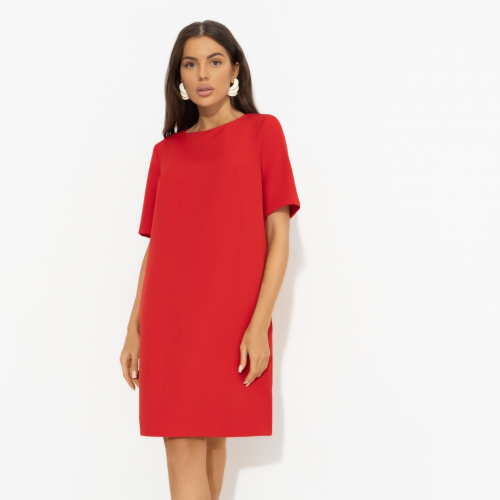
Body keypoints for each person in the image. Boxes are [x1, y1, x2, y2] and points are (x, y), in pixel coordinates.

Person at [119, 20, 301, 500]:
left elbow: (278, 237)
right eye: (190, 63)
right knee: (182, 446)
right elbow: (156, 248)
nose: (202, 74)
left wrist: (259, 325)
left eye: (214, 61)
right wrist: (134, 327)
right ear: (178, 75)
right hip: (170, 323)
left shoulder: (263, 132)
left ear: (235, 70)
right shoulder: (166, 153)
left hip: (230, 320)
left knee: (213, 445)